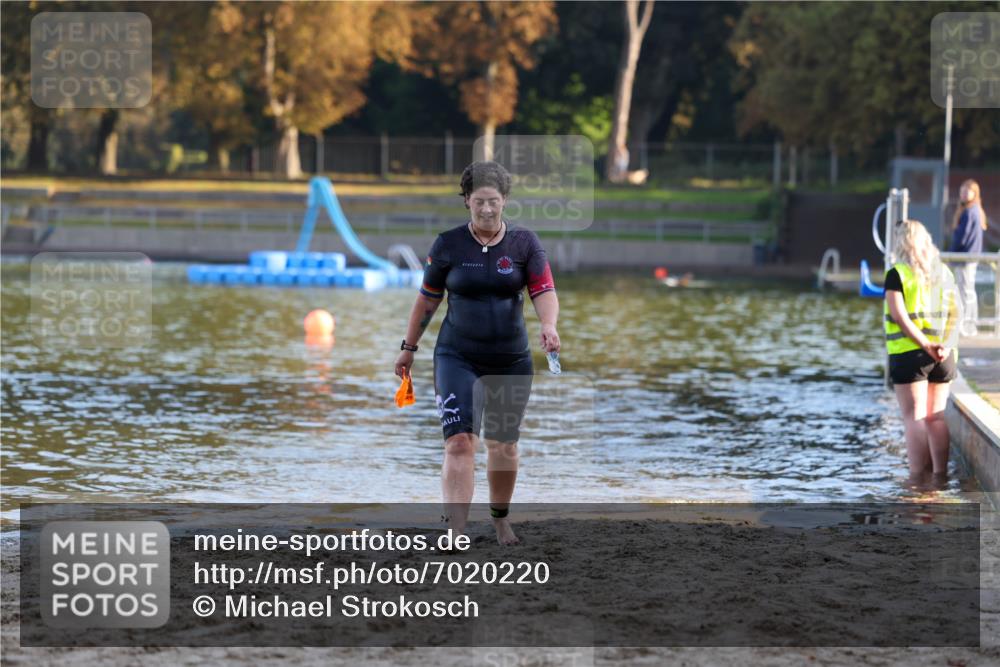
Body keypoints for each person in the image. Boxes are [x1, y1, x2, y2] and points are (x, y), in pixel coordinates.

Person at [394, 161, 560, 545]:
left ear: (505, 201)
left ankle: (500, 520)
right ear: (467, 200)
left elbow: (543, 289)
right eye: (479, 201)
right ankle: (455, 530)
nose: (486, 209)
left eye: (493, 201)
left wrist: (549, 325)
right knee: (459, 442)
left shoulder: (525, 244)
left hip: (510, 359)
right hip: (457, 356)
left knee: (503, 445)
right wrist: (408, 349)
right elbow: (427, 300)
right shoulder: (448, 245)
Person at [884, 219, 958, 484]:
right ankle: (940, 478)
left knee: (913, 417)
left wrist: (926, 345)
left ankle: (917, 483)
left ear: (902, 244)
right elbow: (956, 315)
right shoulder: (944, 273)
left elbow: (900, 317)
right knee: (936, 417)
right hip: (944, 356)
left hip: (910, 354)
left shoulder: (898, 274)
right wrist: (944, 345)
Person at [950, 179, 988, 336]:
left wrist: (951, 254)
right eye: (962, 190)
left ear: (975, 193)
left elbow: (962, 237)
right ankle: (970, 325)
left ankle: (967, 326)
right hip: (970, 257)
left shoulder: (970, 212)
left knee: (965, 291)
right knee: (968, 290)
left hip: (965, 258)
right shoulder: (976, 210)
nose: (964, 194)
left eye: (967, 191)